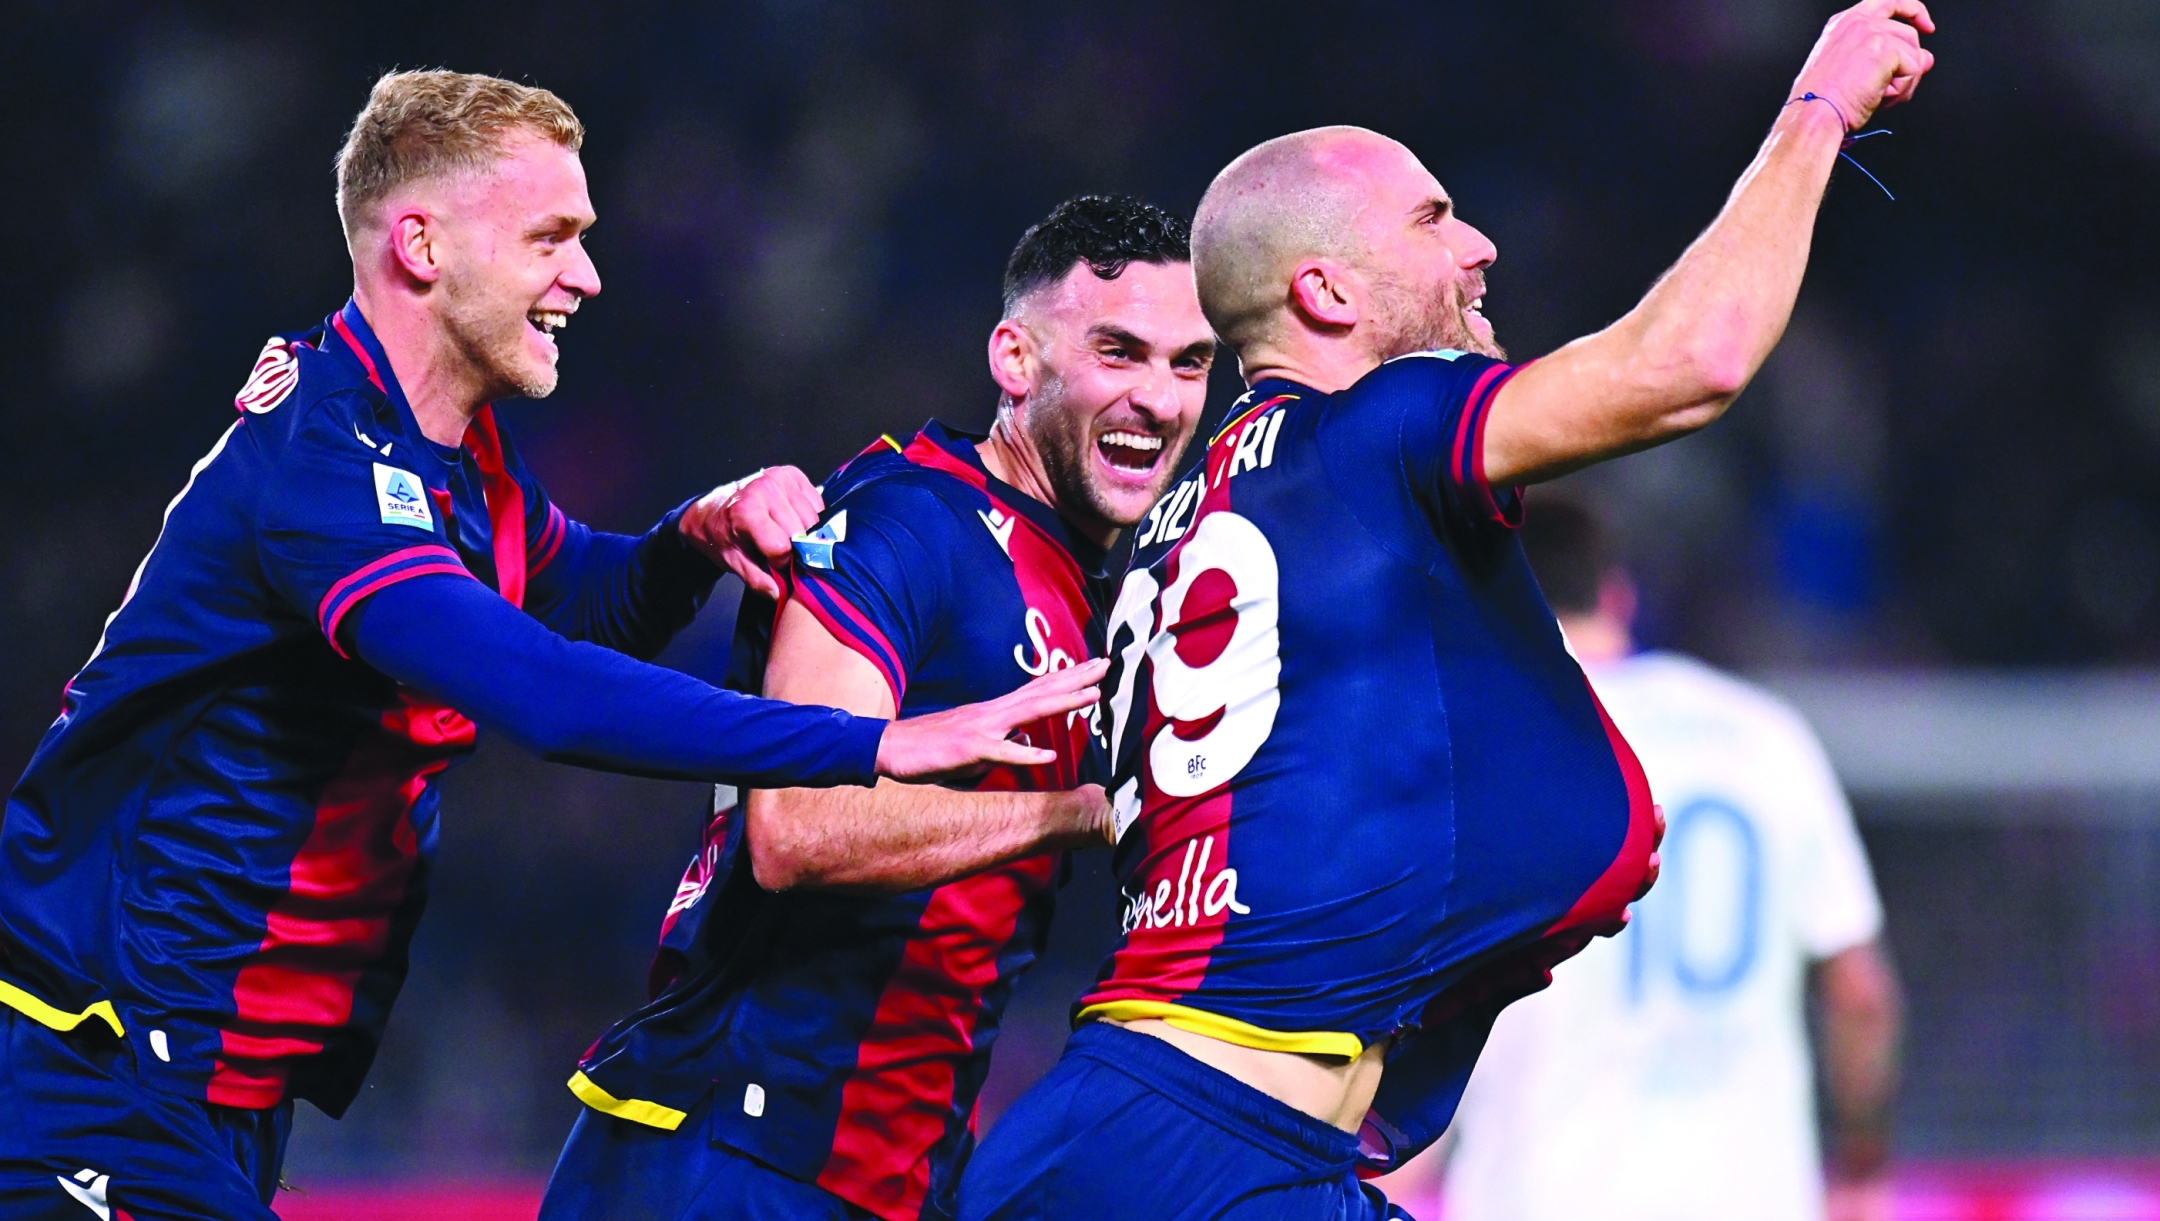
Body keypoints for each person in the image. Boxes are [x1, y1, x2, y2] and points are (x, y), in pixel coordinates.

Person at [0, 71, 1100, 1221]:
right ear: (422, 245)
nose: (586, 276)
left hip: (203, 1090)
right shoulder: (322, 464)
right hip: (94, 1062)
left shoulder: (446, 451)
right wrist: (867, 746)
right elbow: (543, 692)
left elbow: (580, 597)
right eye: (552, 238)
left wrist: (690, 535)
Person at [960, 3, 1935, 1218]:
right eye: (1430, 220)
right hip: (1195, 1146)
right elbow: (1691, 362)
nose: (1478, 246)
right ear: (1323, 289)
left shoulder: (1192, 523)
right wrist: (1818, 111)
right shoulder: (1376, 433)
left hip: (1206, 1132)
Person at [539, 196, 1216, 1221]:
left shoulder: (1091, 588)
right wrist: (1090, 806)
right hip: (732, 1156)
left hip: (891, 1172)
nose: (1160, 400)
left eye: (1190, 363)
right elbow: (795, 828)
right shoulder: (908, 523)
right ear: (1015, 359)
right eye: (1119, 352)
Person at [1440, 495, 1903, 1221]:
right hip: (1754, 1197)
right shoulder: (1765, 734)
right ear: (1617, 594)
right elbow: (1861, 995)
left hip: (1547, 1193)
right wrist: (1861, 1161)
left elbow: (1426, 1012)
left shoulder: (1487, 755)